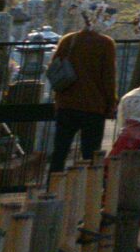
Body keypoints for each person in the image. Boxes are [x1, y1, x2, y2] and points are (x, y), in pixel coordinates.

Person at [45, 14, 117, 169]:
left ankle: (53, 186)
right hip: (93, 106)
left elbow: (54, 67)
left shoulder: (68, 40)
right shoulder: (106, 44)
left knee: (60, 151)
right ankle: (88, 188)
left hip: (66, 104)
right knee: (90, 154)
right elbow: (108, 78)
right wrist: (111, 104)